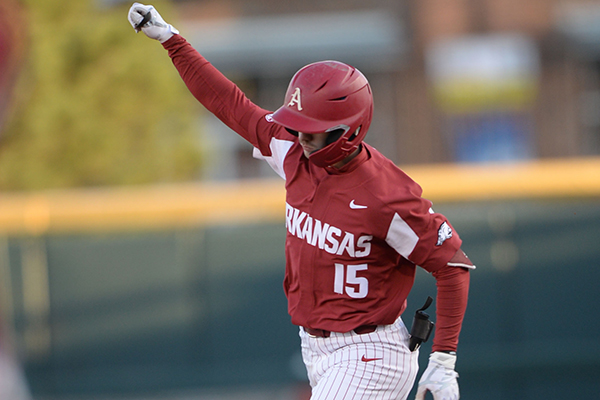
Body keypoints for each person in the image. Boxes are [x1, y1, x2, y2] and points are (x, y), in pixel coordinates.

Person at [127, 4, 475, 399]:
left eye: (313, 130)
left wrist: (444, 360)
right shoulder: (293, 152)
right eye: (297, 125)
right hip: (316, 348)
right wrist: (173, 42)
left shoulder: (386, 194)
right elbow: (230, 104)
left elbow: (453, 266)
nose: (301, 136)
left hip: (371, 352)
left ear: (348, 130)